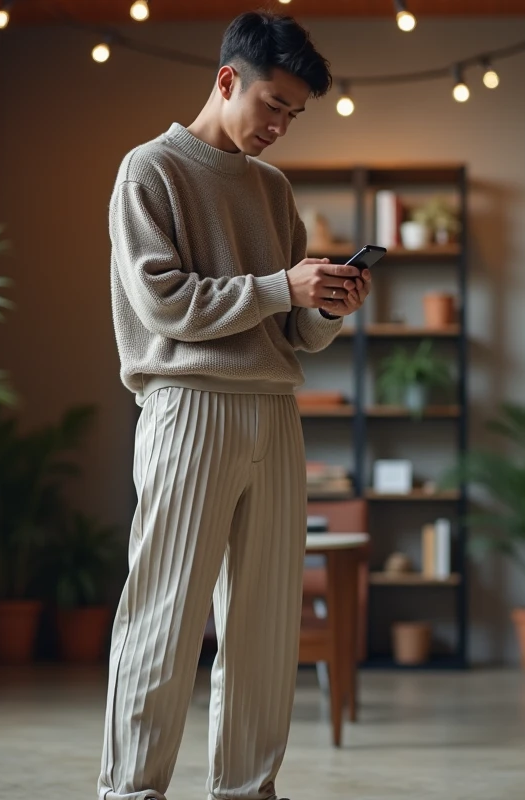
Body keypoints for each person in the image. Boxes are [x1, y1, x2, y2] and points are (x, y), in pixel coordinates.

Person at [99, 10, 370, 800]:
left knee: (263, 628)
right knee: (164, 619)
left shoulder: (273, 189)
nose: (283, 125)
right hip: (188, 408)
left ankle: (248, 791)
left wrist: (325, 305)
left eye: (295, 113)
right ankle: (131, 792)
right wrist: (283, 286)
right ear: (228, 81)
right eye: (274, 105)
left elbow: (291, 329)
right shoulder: (148, 170)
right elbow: (164, 304)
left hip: (274, 414)